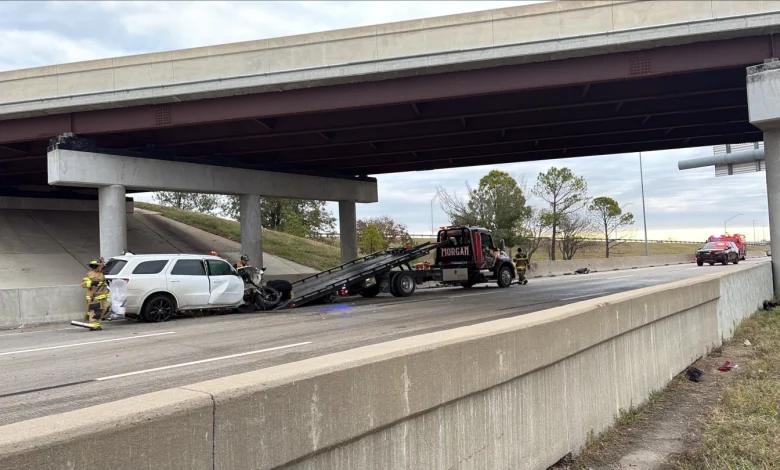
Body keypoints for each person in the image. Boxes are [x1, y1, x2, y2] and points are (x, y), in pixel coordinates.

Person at [81, 258, 110, 331]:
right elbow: (83, 284)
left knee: (105, 308)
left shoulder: (102, 273)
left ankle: (97, 323)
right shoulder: (90, 274)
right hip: (94, 297)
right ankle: (94, 325)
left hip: (102, 296)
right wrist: (91, 283)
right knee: (95, 311)